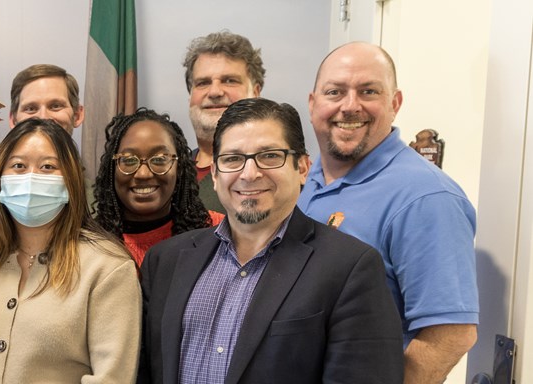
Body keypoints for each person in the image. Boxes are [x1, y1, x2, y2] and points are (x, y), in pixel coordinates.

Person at [140, 98, 403, 383]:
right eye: (232, 159)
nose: (249, 174)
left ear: (302, 168)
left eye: (269, 156)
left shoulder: (350, 269)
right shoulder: (165, 261)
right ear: (215, 174)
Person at [298, 42, 478, 383]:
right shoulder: (306, 180)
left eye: (368, 91)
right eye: (335, 91)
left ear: (394, 104)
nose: (350, 106)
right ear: (313, 103)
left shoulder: (426, 197)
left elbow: (452, 334)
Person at [0, 119, 139, 383]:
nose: (31, 177)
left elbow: (111, 378)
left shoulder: (107, 268)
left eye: (48, 166)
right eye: (18, 166)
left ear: (70, 180)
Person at [0, 64, 85, 253]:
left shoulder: (101, 201)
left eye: (55, 106)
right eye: (31, 108)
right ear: (13, 119)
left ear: (77, 115)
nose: (43, 117)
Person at [91, 108, 223, 266]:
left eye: (159, 160)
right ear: (112, 169)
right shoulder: (90, 245)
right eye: (129, 160)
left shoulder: (217, 232)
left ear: (179, 167)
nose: (143, 174)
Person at [182, 31, 265, 214]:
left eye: (229, 81)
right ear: (190, 96)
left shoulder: (274, 171)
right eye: (203, 83)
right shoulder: (168, 171)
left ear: (256, 93)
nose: (215, 92)